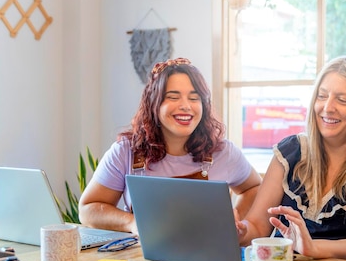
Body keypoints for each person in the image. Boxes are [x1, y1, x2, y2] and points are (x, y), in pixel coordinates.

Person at [236, 55, 346, 259]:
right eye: (322, 96)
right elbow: (257, 226)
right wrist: (241, 231)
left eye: (342, 100)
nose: (327, 107)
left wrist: (312, 248)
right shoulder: (290, 151)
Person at [79, 57, 262, 234]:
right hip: (145, 260)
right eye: (173, 97)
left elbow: (254, 188)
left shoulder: (223, 152)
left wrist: (238, 220)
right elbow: (88, 210)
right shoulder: (126, 151)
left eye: (194, 98)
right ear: (154, 104)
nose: (185, 106)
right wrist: (133, 223)